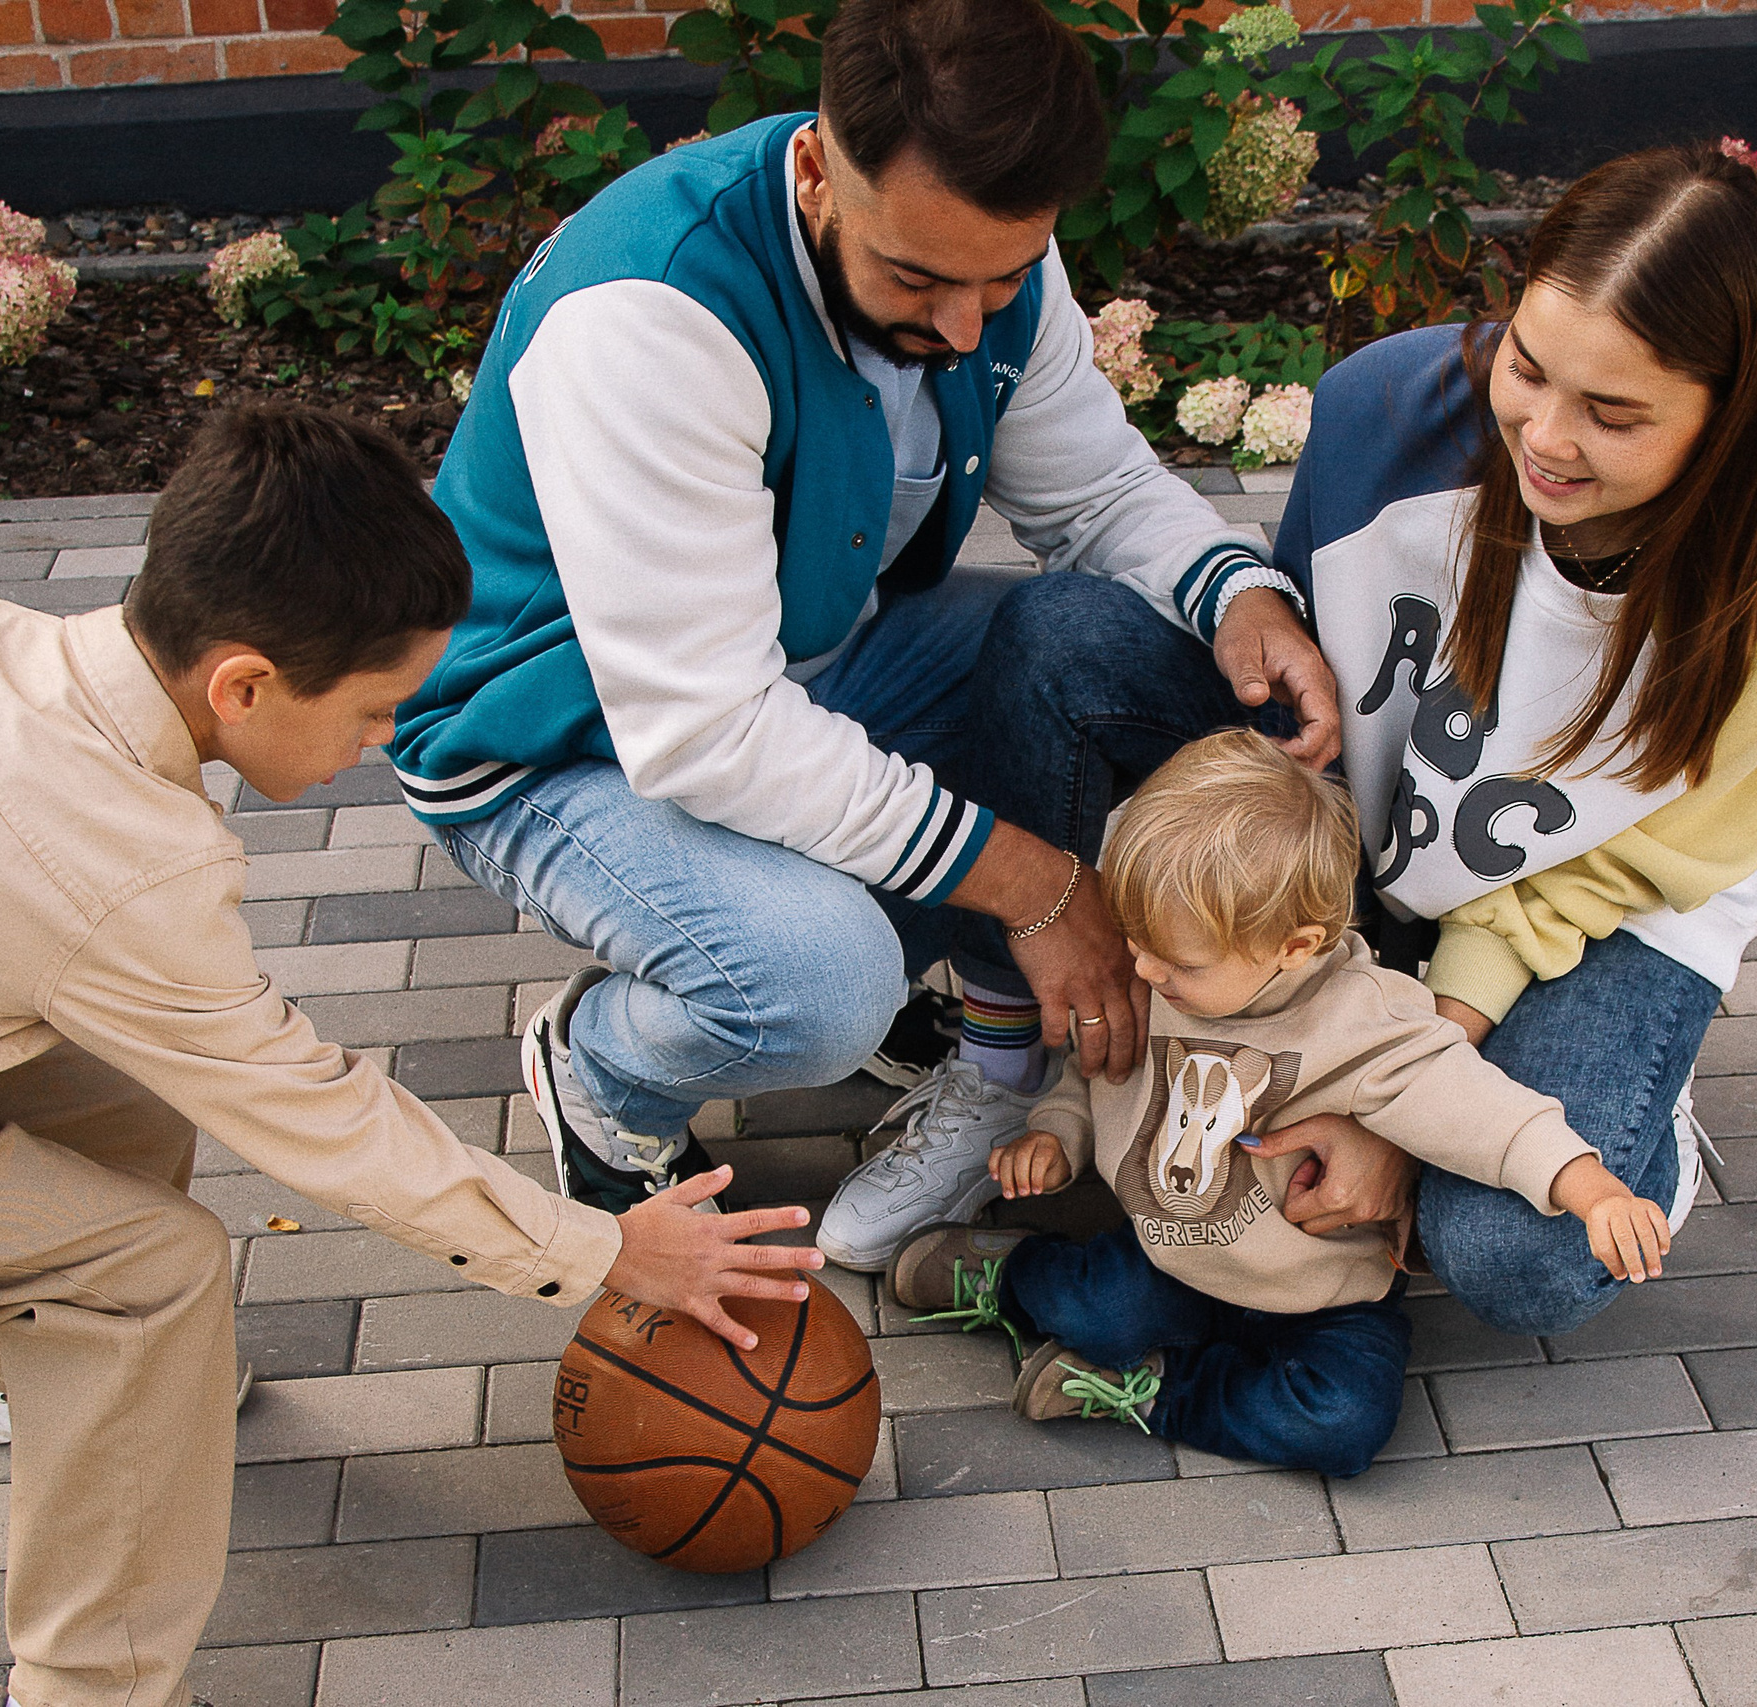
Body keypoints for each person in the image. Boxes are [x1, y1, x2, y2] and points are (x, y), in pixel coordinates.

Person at [0, 407, 823, 1707]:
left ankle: (36, 1355)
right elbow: (325, 1123)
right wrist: (602, 1248)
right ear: (244, 685)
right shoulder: (116, 865)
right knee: (148, 1275)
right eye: (374, 713)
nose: (381, 745)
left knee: (115, 1077)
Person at [384, 0, 1339, 1272]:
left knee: (1096, 662)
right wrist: (1039, 887)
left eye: (1002, 280)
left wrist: (1242, 600)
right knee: (818, 982)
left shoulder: (972, 236)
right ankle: (606, 1067)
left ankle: (995, 1032)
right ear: (817, 170)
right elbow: (707, 732)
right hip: (551, 738)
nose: (966, 326)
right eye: (920, 281)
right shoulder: (650, 315)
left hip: (799, 663)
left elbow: (1096, 493)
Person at [944, 145, 1757, 1336]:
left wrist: (1396, 1104)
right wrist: (1256, 633)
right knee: (1056, 637)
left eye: (1612, 414)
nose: (1546, 437)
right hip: (1373, 824)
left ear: (1727, 415)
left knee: (1518, 1256)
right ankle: (1002, 1065)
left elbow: (1594, 875)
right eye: (1527, 367)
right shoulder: (1381, 410)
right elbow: (1319, 662)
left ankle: (1639, 1108)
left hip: (1587, 906)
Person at [887, 732, 1671, 1474]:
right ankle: (1012, 1276)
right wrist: (1057, 1133)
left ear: (1294, 946)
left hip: (1325, 1298)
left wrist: (1589, 1187)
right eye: (1136, 942)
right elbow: (1100, 1070)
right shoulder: (1164, 974)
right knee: (1096, 1305)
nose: (1145, 970)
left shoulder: (1366, 1019)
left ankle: (1157, 1390)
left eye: (1177, 960)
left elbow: (1484, 1111)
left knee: (1346, 1420)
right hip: (1169, 1260)